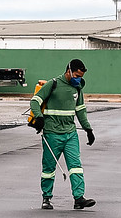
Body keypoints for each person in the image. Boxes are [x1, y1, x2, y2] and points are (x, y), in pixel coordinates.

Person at [29, 58, 96, 210]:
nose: (78, 79)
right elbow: (35, 101)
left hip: (71, 134)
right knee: (49, 169)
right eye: (76, 75)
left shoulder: (77, 88)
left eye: (81, 76)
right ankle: (46, 198)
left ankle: (79, 198)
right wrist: (39, 117)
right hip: (52, 134)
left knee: (76, 167)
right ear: (68, 71)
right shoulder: (53, 84)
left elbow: (80, 111)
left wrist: (88, 129)